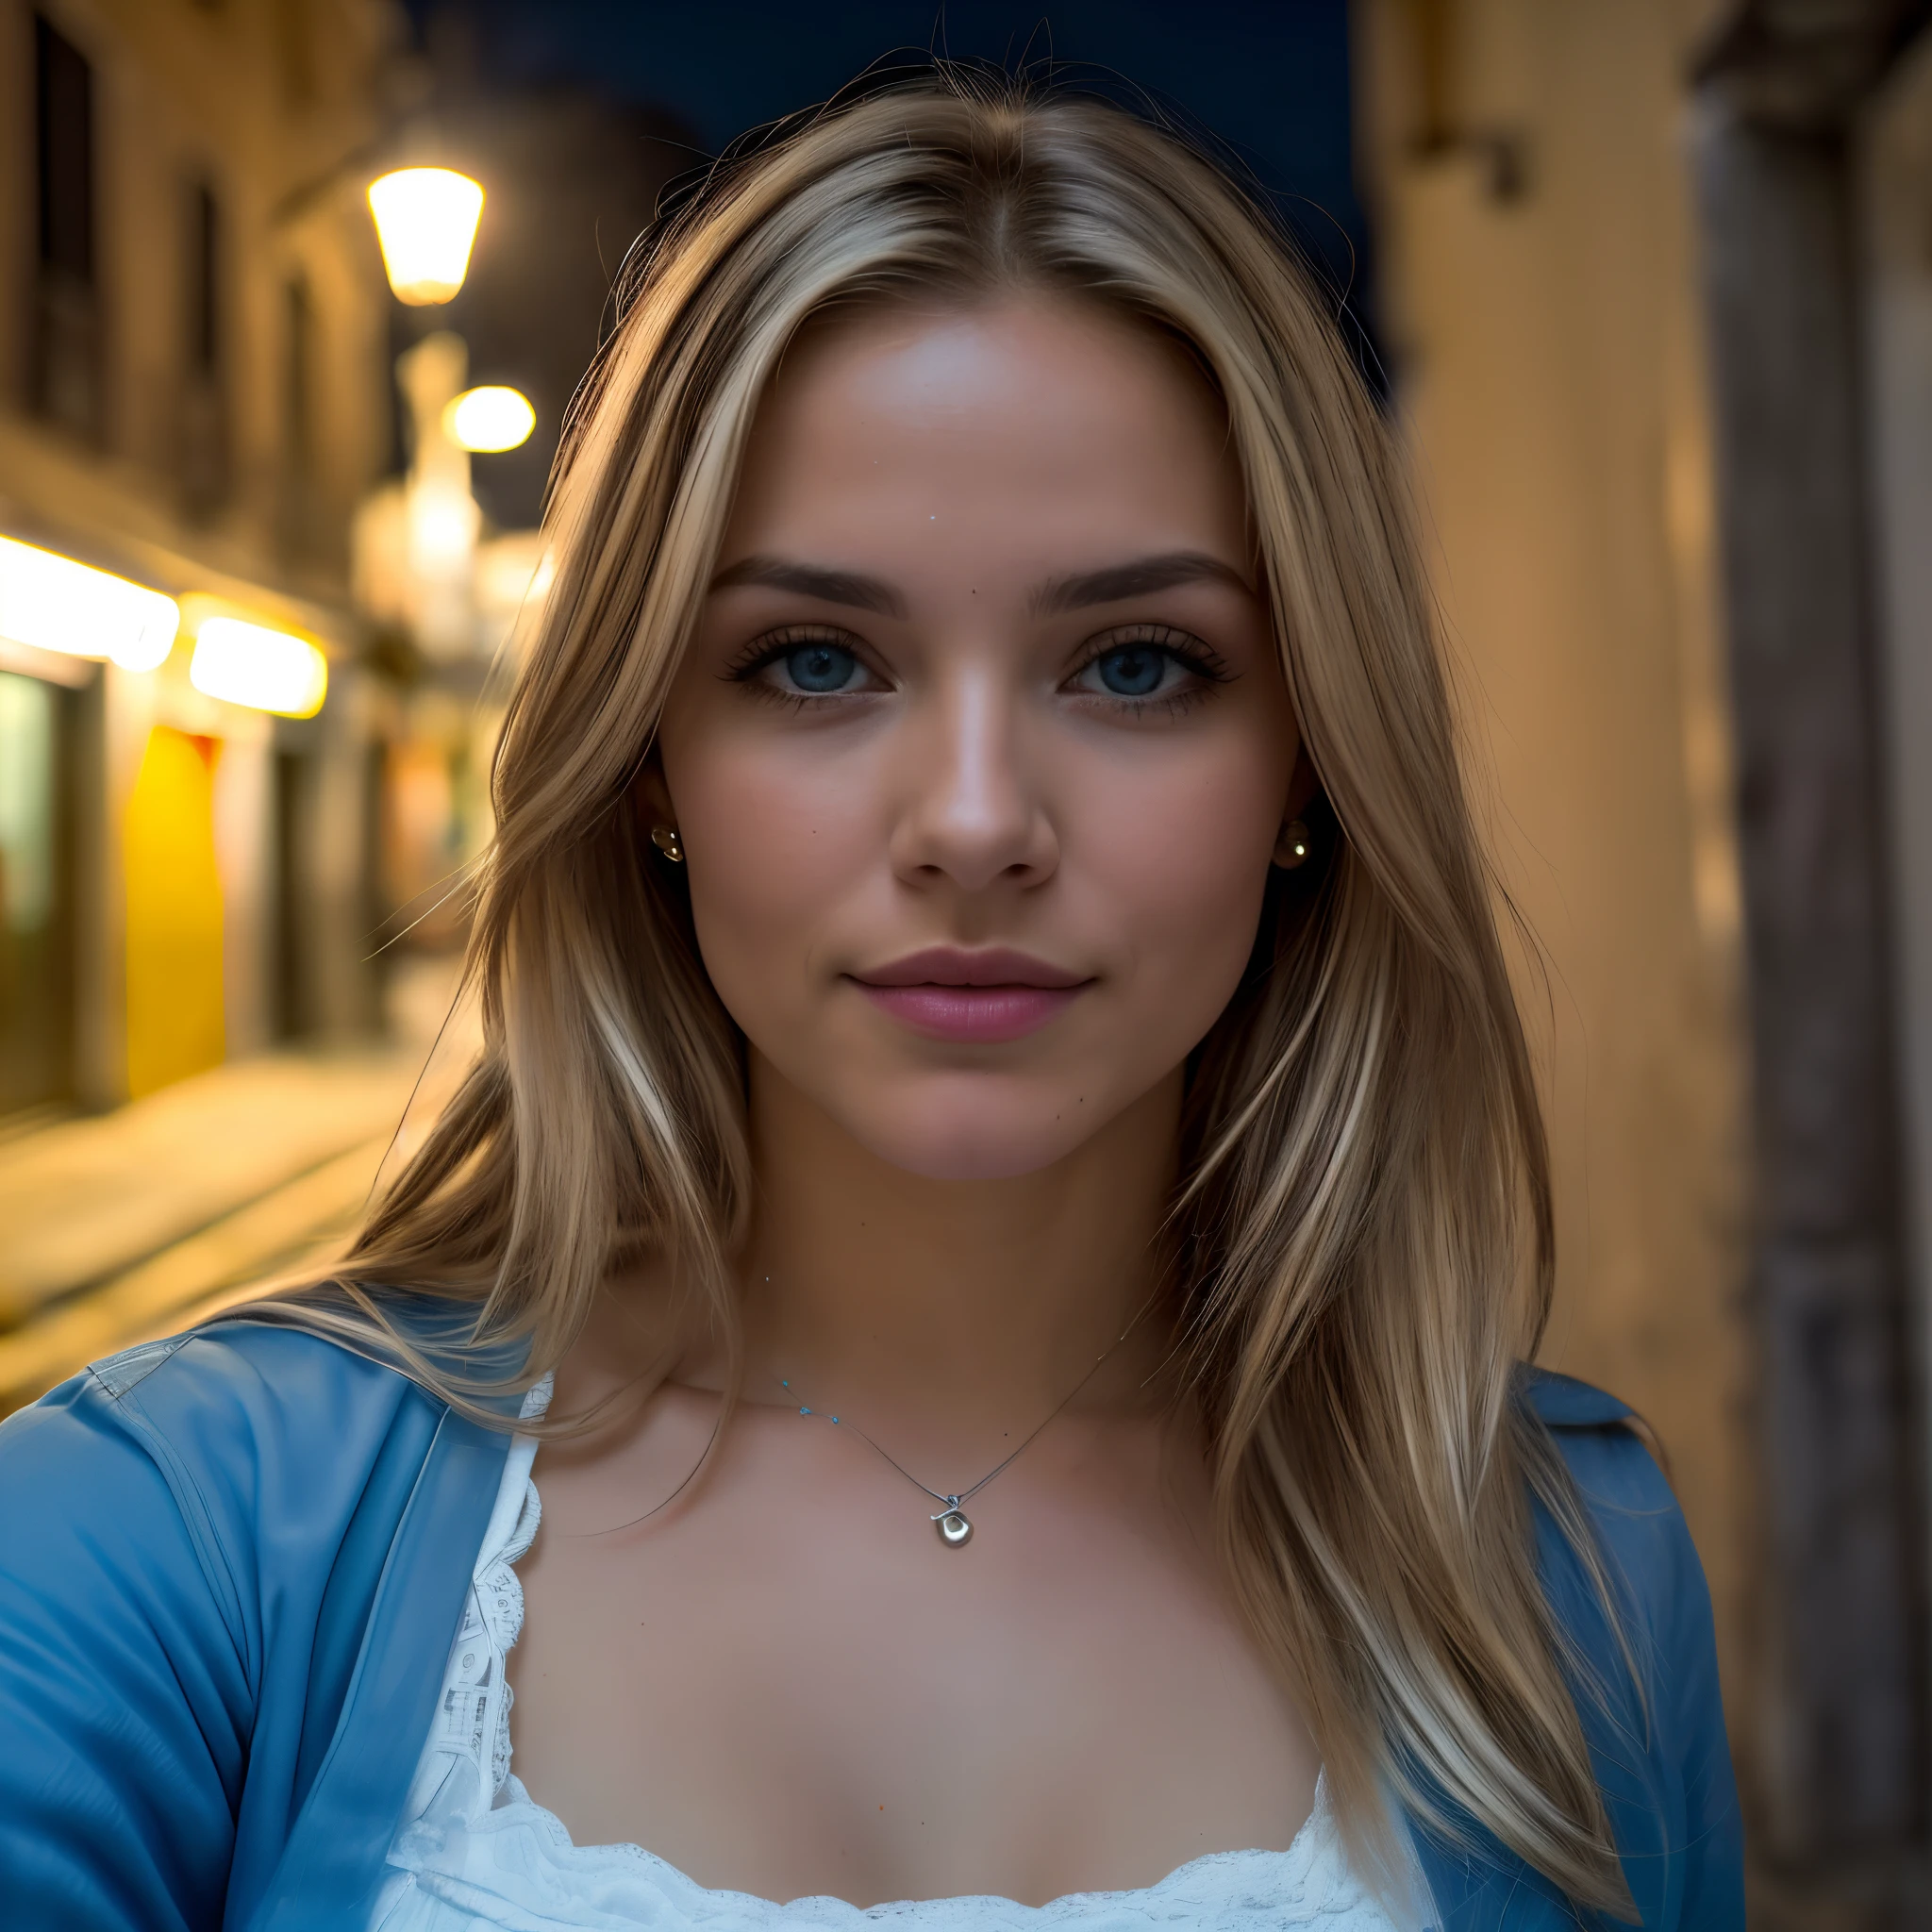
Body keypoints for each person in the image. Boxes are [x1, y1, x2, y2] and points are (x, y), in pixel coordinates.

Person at [0, 76, 1741, 1932]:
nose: (976, 820)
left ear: (1307, 755)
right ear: (648, 759)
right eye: (815, 660)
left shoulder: (1574, 1572)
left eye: (1136, 663)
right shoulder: (165, 1537)